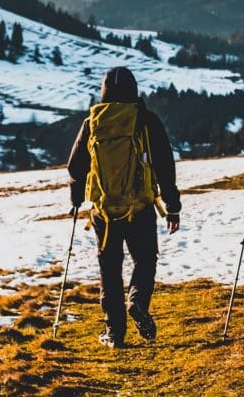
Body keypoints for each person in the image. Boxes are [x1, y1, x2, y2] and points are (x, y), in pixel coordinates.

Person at [68, 67, 181, 348]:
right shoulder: (146, 121)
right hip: (139, 206)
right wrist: (173, 206)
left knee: (110, 267)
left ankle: (114, 332)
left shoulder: (92, 122)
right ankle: (138, 301)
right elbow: (165, 165)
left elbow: (75, 167)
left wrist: (75, 200)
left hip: (104, 211)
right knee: (145, 260)